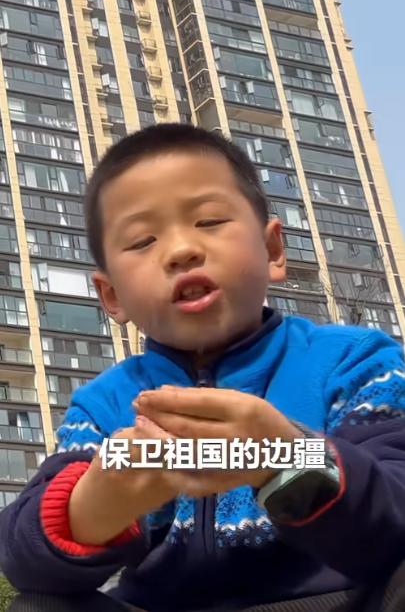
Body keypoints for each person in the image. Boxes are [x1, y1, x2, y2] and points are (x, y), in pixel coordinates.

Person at [1, 123, 405, 612]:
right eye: (142, 240)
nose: (181, 251)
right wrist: (99, 501)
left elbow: (395, 515)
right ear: (112, 295)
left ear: (273, 250)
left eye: (209, 221)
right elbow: (21, 558)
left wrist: (288, 458)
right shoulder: (104, 406)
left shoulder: (354, 361)